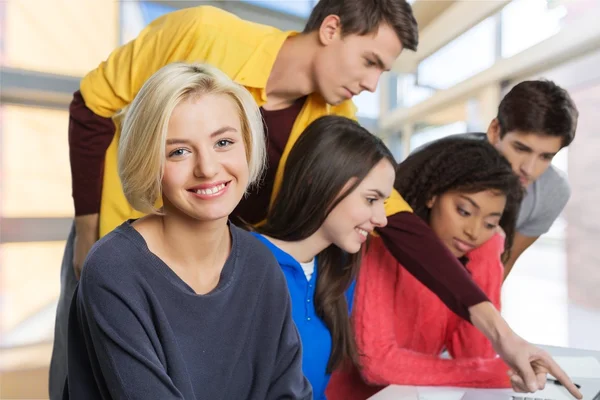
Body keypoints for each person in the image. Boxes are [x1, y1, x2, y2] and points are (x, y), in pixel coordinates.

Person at [50, 1, 582, 398]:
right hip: (119, 238)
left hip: (214, 265)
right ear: (331, 29)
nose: (373, 84)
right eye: (370, 61)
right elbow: (93, 107)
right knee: (82, 378)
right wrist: (89, 233)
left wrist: (501, 333)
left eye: (226, 142)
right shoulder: (201, 32)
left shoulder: (330, 128)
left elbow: (398, 223)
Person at [63, 62, 312, 400]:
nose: (208, 168)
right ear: (148, 161)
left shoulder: (261, 264)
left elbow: (289, 393)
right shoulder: (113, 270)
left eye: (223, 142)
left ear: (248, 145)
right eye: (178, 151)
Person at [326, 137, 524, 399]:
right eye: (463, 211)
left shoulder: (469, 258)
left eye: (490, 223)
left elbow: (473, 355)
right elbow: (376, 363)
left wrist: (487, 254)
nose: (473, 232)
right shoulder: (382, 243)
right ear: (432, 195)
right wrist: (494, 373)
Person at [251, 115, 397, 399]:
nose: (382, 219)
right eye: (371, 199)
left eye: (384, 203)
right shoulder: (244, 263)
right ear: (321, 181)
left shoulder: (338, 273)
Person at [475, 80, 578, 279]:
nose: (529, 170)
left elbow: (502, 262)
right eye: (521, 149)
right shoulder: (444, 161)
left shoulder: (553, 191)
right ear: (495, 130)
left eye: (546, 156)